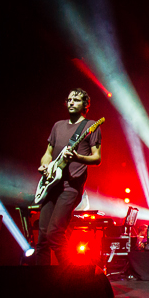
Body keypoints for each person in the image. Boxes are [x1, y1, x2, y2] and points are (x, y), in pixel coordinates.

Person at [36, 88, 102, 265]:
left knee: (55, 233)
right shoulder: (58, 126)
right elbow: (48, 153)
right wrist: (45, 165)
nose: (71, 102)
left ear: (85, 105)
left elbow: (97, 158)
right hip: (51, 185)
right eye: (69, 99)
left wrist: (78, 157)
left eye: (77, 100)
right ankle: (41, 282)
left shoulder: (91, 126)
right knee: (42, 238)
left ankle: (71, 278)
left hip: (70, 187)